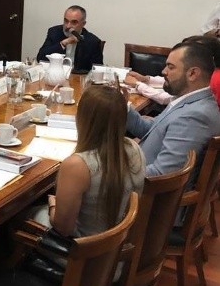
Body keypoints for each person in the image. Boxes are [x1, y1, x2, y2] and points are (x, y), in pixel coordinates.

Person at [33, 85, 145, 237]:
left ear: (82, 118)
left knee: (23, 214)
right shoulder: (135, 148)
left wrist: (53, 204)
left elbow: (63, 228)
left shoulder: (77, 165)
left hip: (83, 248)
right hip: (119, 242)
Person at [126, 41, 220, 177]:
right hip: (139, 166)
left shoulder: (195, 116)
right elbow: (151, 129)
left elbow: (163, 175)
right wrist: (123, 106)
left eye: (170, 67)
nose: (164, 71)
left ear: (192, 73)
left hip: (145, 185)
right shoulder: (189, 101)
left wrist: (114, 176)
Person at [125, 35, 220, 109]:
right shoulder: (209, 73)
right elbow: (176, 79)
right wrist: (146, 79)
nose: (164, 71)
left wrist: (137, 84)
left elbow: (166, 98)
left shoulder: (214, 79)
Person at [36, 5, 103, 73]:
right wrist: (63, 43)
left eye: (74, 22)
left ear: (83, 24)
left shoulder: (93, 41)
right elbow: (40, 58)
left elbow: (97, 70)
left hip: (78, 78)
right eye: (66, 21)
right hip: (56, 75)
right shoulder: (54, 32)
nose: (68, 26)